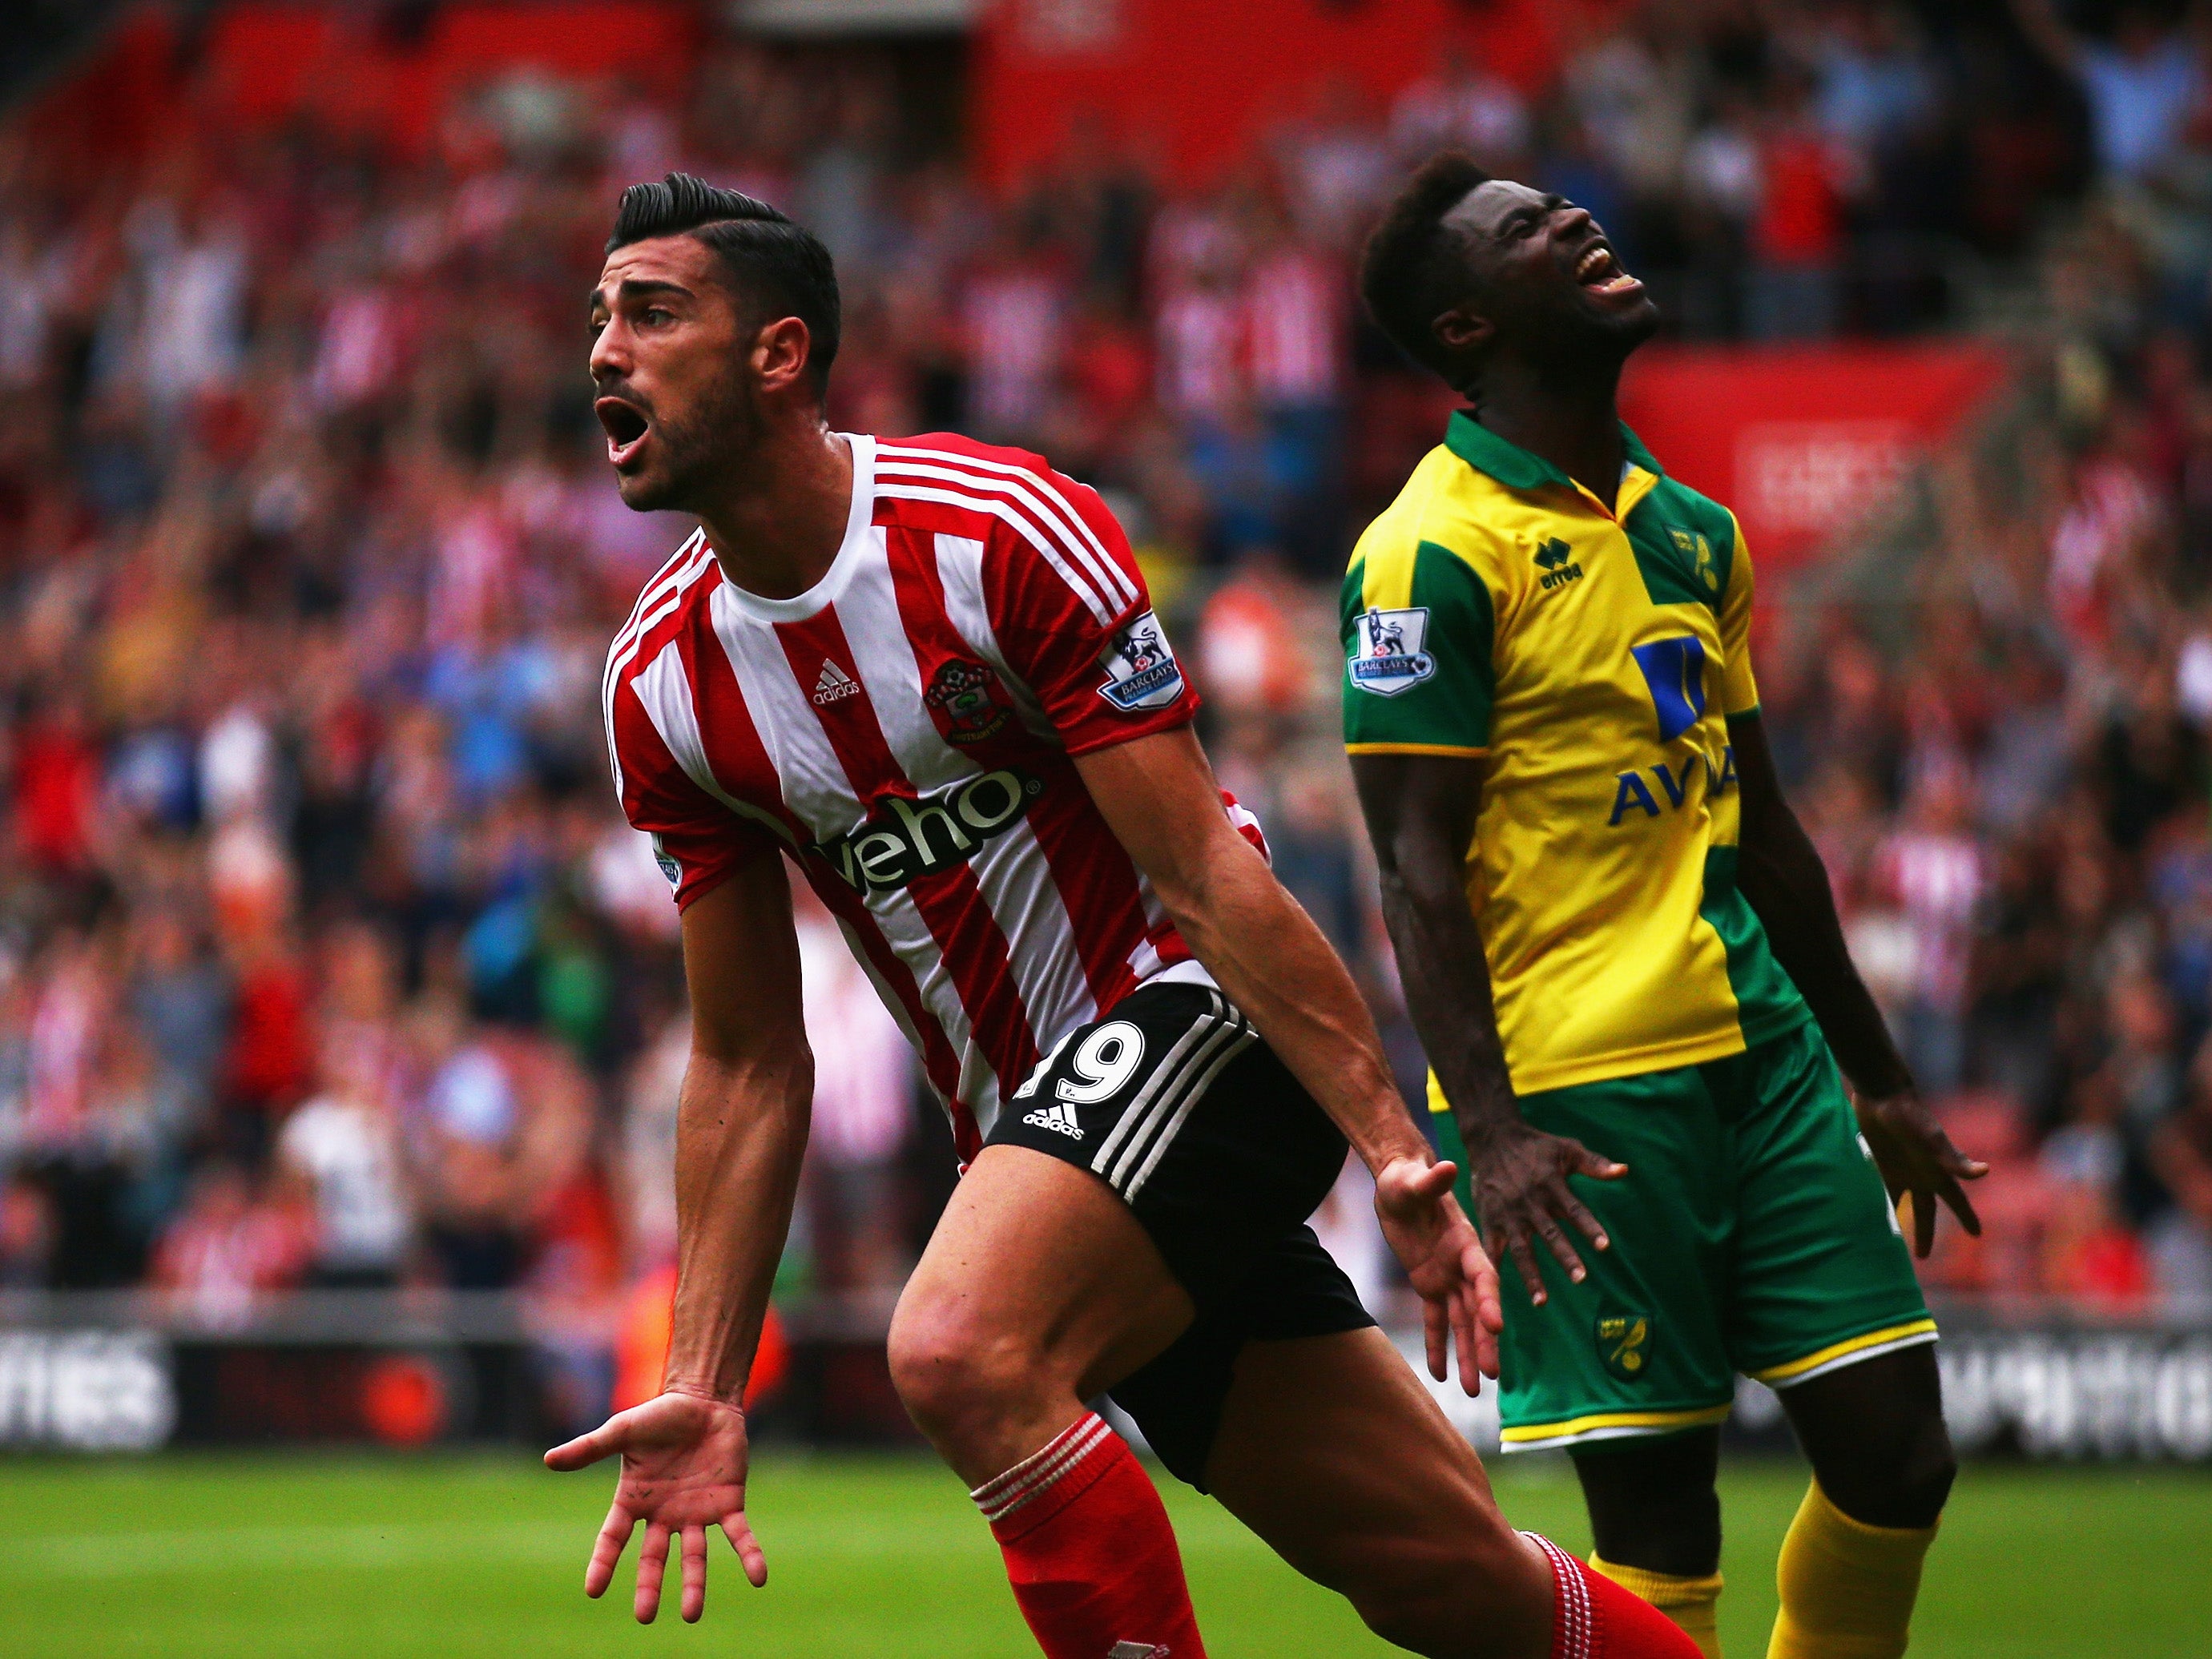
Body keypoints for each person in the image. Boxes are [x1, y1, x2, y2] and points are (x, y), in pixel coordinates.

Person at [545, 173, 1702, 1659]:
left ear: (778, 354)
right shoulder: (661, 686)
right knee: (1444, 1573)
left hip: (1198, 1021)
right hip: (1047, 1144)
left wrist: (1398, 1156)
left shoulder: (996, 531)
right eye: (597, 320)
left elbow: (1205, 879)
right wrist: (703, 1379)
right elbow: (749, 1059)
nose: (603, 351)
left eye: (649, 313)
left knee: (957, 1348)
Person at [1344, 154, 1988, 1659]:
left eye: (1558, 209)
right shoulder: (1425, 554)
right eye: (1522, 231)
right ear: (1463, 330)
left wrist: (1875, 1076)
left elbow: (1763, 831)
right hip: (1580, 1096)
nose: (1570, 220)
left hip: (1757, 1054)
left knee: (1901, 1462)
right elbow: (1411, 868)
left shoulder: (1692, 530)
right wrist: (1487, 1132)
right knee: (1659, 1531)